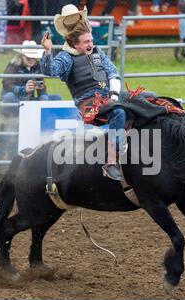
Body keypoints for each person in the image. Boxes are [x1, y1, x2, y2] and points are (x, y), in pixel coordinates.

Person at [40, 4, 126, 181]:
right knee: (118, 112)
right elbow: (51, 71)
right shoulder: (65, 58)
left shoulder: (96, 51)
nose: (91, 44)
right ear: (75, 44)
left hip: (108, 98)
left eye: (91, 40)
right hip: (89, 105)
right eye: (87, 42)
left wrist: (114, 96)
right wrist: (48, 51)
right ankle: (112, 160)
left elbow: (113, 73)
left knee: (144, 99)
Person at [0, 40, 62, 117]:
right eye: (29, 57)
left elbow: (40, 86)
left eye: (34, 57)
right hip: (16, 100)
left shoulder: (37, 66)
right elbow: (7, 85)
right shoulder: (13, 66)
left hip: (29, 101)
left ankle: (37, 115)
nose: (32, 60)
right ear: (22, 56)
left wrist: (43, 97)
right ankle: (28, 115)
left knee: (57, 98)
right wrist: (23, 89)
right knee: (9, 97)